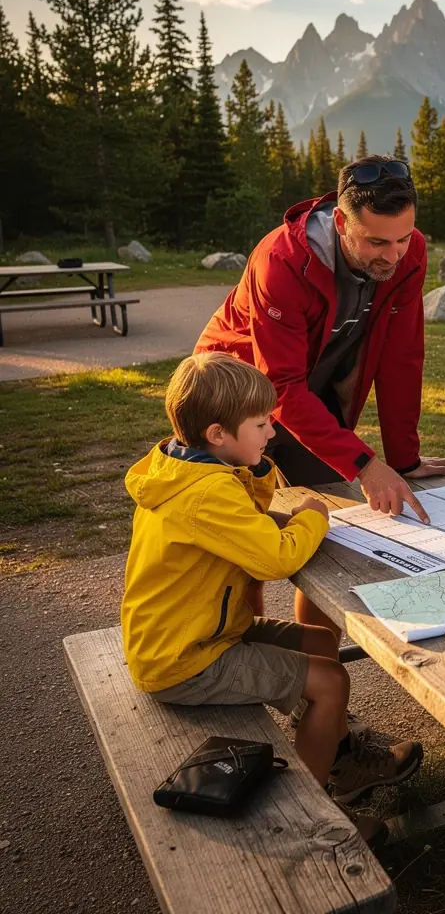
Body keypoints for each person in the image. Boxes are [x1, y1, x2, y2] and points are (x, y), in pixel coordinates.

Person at [120, 353, 423, 847]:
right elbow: (276, 558)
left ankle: (337, 760)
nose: (272, 432)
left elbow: (250, 522)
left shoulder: (189, 470)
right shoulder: (207, 493)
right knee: (330, 682)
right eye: (261, 424)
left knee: (320, 641)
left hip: (199, 631)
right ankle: (309, 817)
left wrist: (258, 471)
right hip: (185, 658)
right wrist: (314, 515)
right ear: (218, 434)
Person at [195, 156, 445, 645]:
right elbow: (279, 386)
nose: (393, 255)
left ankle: (319, 667)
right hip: (230, 399)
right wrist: (364, 465)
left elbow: (402, 358)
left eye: (403, 238)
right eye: (376, 242)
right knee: (240, 544)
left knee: (329, 534)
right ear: (340, 221)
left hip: (308, 394)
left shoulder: (410, 253)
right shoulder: (281, 260)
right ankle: (241, 655)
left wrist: (402, 459)